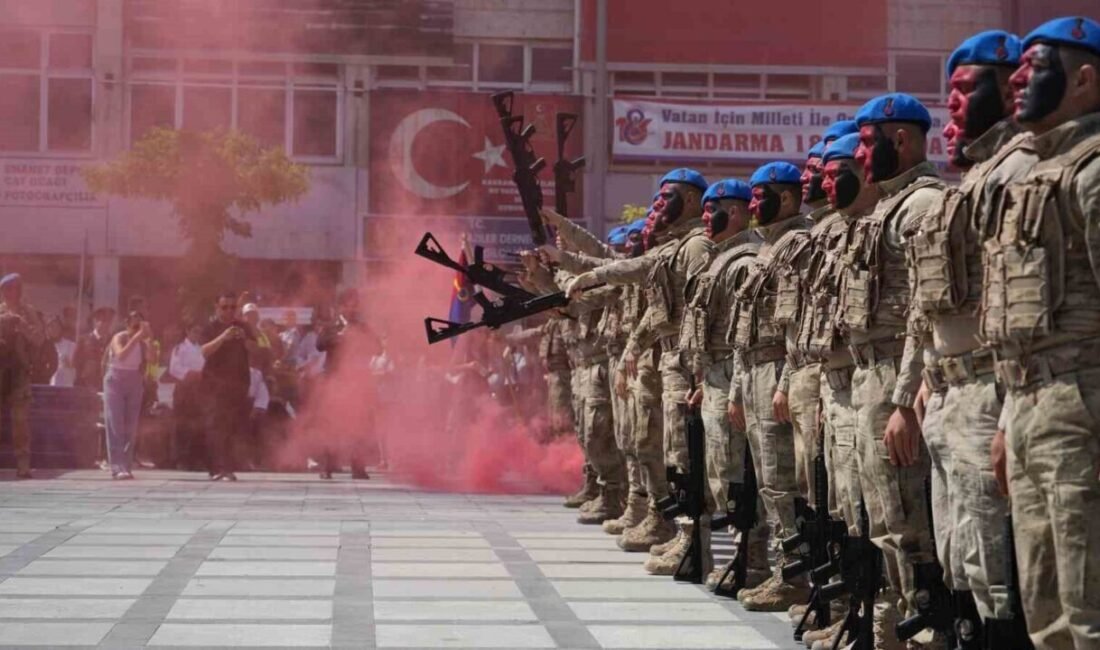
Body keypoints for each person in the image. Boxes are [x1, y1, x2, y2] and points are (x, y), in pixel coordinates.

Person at [905, 29, 1037, 644]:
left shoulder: (1021, 172)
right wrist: (925, 380)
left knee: (998, 564)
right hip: (952, 393)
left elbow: (1020, 304)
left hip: (993, 393)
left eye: (965, 89)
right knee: (964, 555)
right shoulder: (977, 179)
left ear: (1009, 90)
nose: (951, 106)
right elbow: (932, 305)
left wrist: (1013, 406)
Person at [984, 16, 1100, 649]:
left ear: (1084, 80)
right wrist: (1006, 421)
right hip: (1030, 405)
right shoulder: (1033, 174)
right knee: (1044, 604)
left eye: (1038, 68)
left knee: (1088, 604)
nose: (1020, 80)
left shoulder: (1093, 171)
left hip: (1083, 404)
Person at [566, 168, 714, 574]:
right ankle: (673, 531)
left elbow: (699, 313)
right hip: (668, 361)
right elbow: (634, 275)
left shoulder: (696, 247)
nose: (656, 208)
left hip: (685, 364)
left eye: (665, 199)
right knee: (664, 450)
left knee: (684, 456)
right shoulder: (676, 247)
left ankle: (689, 542)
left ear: (689, 200)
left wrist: (700, 374)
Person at [836, 93, 944, 646]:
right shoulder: (886, 208)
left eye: (865, 139)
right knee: (882, 517)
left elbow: (924, 313)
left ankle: (925, 633)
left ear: (898, 138)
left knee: (909, 521)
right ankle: (897, 628)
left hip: (895, 378)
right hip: (866, 375)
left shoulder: (925, 205)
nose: (858, 154)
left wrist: (905, 399)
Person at [727, 162, 813, 611]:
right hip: (755, 373)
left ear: (788, 198)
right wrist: (738, 388)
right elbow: (747, 330)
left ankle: (793, 576)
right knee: (767, 482)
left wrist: (782, 384)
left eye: (762, 197)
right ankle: (785, 571)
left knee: (782, 482)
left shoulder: (796, 244)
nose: (754, 205)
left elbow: (794, 328)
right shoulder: (766, 249)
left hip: (779, 373)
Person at [679, 179, 771, 592]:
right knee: (721, 475)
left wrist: (733, 391)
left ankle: (750, 562)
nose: (704, 217)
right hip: (714, 378)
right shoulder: (721, 260)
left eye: (711, 208)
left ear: (733, 213)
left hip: (733, 379)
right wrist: (702, 381)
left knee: (738, 476)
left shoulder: (744, 261)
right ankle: (738, 558)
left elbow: (741, 335)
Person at [316, 287, 380, 480]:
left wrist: (360, 340)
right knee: (330, 425)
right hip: (334, 382)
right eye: (349, 304)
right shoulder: (331, 326)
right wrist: (339, 338)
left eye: (355, 304)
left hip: (356, 383)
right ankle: (326, 466)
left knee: (358, 424)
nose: (353, 308)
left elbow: (378, 347)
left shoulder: (363, 327)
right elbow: (319, 345)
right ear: (340, 306)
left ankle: (358, 467)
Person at [200, 291, 255, 481]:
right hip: (214, 385)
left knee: (232, 427)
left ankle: (227, 467)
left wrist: (244, 339)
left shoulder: (243, 326)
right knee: (215, 426)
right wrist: (224, 336)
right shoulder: (210, 327)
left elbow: (256, 350)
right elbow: (204, 351)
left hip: (238, 383)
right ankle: (217, 468)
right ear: (217, 308)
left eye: (233, 307)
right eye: (225, 307)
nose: (229, 311)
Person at [0, 274, 46, 478]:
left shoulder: (29, 313)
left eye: (16, 288)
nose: (13, 293)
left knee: (20, 421)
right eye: (9, 289)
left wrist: (22, 326)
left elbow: (39, 340)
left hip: (19, 372)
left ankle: (23, 464)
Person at [103, 310, 152, 479]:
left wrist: (149, 338)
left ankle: (127, 464)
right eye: (134, 324)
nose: (137, 327)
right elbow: (121, 355)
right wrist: (137, 337)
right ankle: (117, 465)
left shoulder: (143, 342)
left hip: (134, 379)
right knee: (115, 422)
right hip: (116, 379)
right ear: (127, 324)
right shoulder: (119, 337)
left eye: (139, 324)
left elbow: (152, 359)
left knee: (131, 425)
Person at [169, 322, 206, 470]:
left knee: (197, 424)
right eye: (194, 331)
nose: (197, 334)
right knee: (181, 424)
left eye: (199, 332)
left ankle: (195, 457)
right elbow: (174, 368)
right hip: (184, 389)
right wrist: (190, 374)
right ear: (187, 331)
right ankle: (181, 458)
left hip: (198, 390)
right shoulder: (180, 348)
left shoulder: (202, 348)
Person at [73, 307, 114, 389]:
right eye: (103, 321)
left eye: (109, 321)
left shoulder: (113, 340)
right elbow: (76, 361)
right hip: (86, 384)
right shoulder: (83, 339)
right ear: (96, 321)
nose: (106, 324)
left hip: (106, 384)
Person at [48, 317, 77, 387]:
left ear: (61, 328)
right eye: (51, 327)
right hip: (49, 386)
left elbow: (76, 367)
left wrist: (70, 364)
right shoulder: (46, 346)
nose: (54, 329)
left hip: (66, 385)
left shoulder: (71, 345)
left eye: (56, 327)